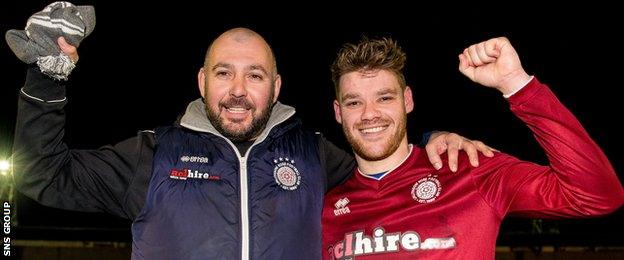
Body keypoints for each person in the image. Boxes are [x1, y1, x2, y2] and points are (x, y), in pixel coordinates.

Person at [7, 3, 494, 259]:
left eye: (254, 76)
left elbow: (383, 155)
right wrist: (47, 78)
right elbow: (42, 175)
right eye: (224, 74)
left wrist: (432, 141)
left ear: (276, 86)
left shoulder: (315, 154)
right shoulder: (152, 154)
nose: (238, 90)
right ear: (202, 81)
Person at [322, 36, 624, 259]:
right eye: (354, 102)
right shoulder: (319, 207)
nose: (369, 114)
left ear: (408, 100)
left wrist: (517, 84)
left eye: (385, 97)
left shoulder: (468, 168)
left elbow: (596, 195)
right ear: (338, 112)